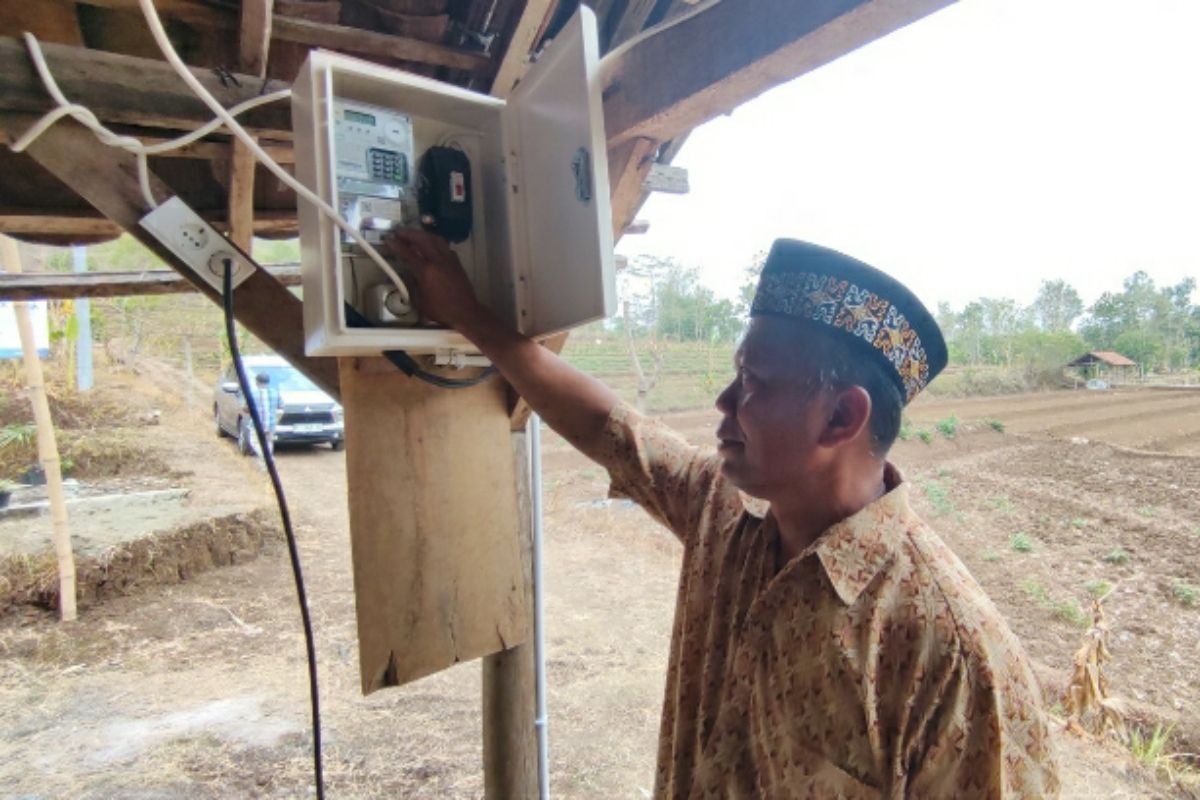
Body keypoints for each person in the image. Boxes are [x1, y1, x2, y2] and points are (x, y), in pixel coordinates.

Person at [384, 230, 1059, 799]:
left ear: (842, 415)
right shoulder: (725, 514)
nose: (722, 400)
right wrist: (469, 315)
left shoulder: (950, 654)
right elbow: (607, 427)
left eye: (754, 382)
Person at [244, 371, 279, 466]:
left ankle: (268, 459)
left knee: (254, 441)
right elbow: (281, 407)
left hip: (257, 423)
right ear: (268, 382)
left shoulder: (252, 394)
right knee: (268, 442)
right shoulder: (275, 393)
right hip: (271, 423)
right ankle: (264, 466)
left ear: (257, 382)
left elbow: (246, 408)